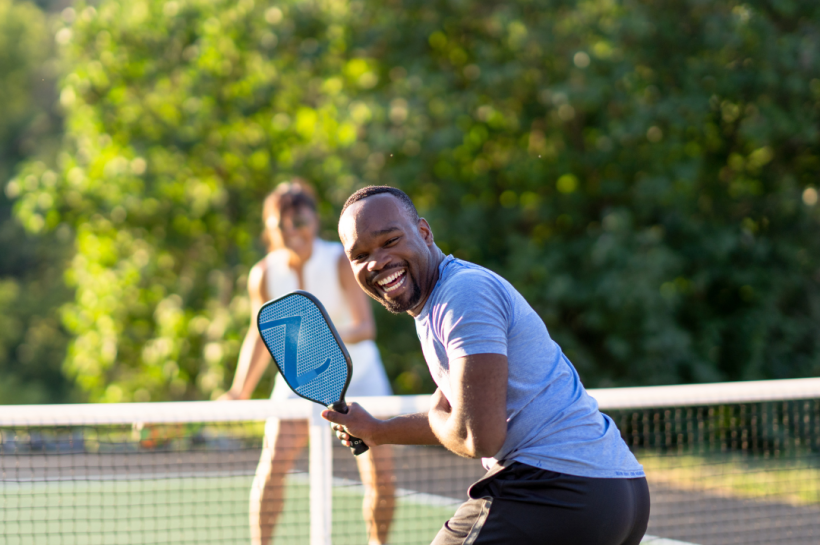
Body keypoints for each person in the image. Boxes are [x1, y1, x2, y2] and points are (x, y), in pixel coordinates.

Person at [324, 185, 650, 545]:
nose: (376, 261)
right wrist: (377, 431)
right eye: (360, 255)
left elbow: (478, 436)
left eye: (389, 241)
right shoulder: (439, 302)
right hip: (618, 493)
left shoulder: (462, 294)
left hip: (558, 490)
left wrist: (436, 416)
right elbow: (469, 417)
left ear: (424, 232)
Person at [221, 181, 395, 545]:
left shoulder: (338, 259)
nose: (292, 232)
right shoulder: (264, 273)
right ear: (269, 230)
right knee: (271, 468)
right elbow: (260, 335)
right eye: (281, 225)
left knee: (381, 478)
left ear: (314, 222)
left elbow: (365, 327)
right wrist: (239, 391)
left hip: (359, 375)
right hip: (297, 382)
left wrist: (317, 337)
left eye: (299, 222)